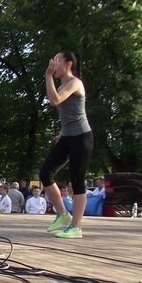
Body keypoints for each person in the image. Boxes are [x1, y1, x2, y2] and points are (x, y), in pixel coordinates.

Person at [40, 51, 94, 238]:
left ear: (68, 64)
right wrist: (63, 133)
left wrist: (48, 75)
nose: (53, 64)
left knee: (77, 180)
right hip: (68, 137)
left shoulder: (75, 83)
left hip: (82, 137)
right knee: (45, 173)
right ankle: (63, 214)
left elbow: (54, 100)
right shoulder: (64, 85)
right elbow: (67, 109)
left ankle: (76, 226)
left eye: (57, 61)